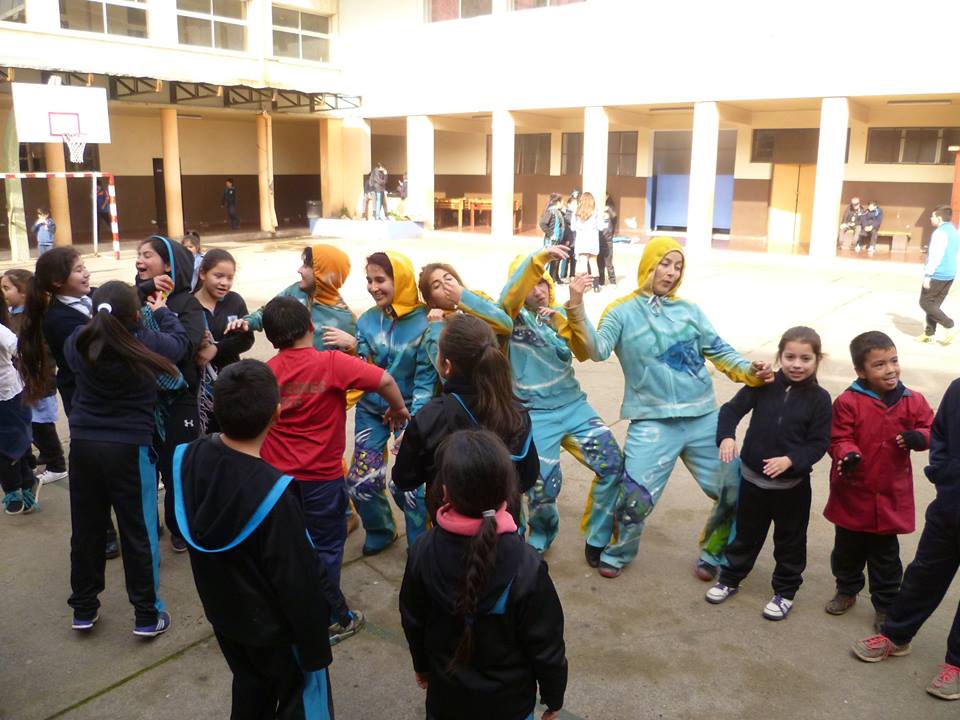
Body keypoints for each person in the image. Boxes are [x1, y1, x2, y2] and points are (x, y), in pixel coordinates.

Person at [564, 236, 774, 581]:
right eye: (665, 263)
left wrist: (751, 371)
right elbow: (595, 350)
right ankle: (618, 551)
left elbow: (721, 351)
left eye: (678, 266)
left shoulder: (690, 311)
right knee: (634, 498)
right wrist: (576, 304)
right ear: (649, 264)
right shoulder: (621, 311)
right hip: (652, 423)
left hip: (703, 418)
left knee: (733, 489)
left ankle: (714, 551)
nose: (672, 272)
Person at [172, 360, 336, 717]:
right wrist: (316, 651)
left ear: (215, 407)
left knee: (249, 686)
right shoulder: (274, 494)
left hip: (225, 616)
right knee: (296, 699)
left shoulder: (187, 456)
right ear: (277, 414)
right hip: (274, 631)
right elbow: (298, 582)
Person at [259, 296, 409, 644]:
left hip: (276, 480)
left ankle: (284, 606)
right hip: (321, 479)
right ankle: (328, 618)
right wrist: (398, 409)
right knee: (326, 546)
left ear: (270, 337)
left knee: (287, 546)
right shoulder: (331, 363)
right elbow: (385, 380)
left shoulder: (266, 373)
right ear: (311, 326)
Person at [399, 429, 567, 720]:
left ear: (445, 492)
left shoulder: (422, 551)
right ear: (507, 490)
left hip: (445, 702)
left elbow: (413, 620)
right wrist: (553, 697)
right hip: (510, 707)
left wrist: (422, 667)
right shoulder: (527, 565)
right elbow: (547, 646)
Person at [63, 280, 188, 636]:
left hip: (84, 446)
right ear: (136, 316)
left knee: (86, 530)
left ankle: (84, 609)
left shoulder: (77, 341)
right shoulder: (144, 342)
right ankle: (147, 615)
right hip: (129, 450)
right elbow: (180, 344)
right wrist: (163, 312)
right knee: (138, 532)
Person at [499, 245, 629, 577]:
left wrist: (574, 304)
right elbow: (508, 298)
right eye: (530, 283)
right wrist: (537, 260)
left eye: (542, 282)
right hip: (535, 415)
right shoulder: (507, 320)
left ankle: (598, 536)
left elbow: (586, 350)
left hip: (575, 407)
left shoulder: (557, 313)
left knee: (613, 465)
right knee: (541, 486)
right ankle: (540, 538)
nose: (538, 291)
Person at [705, 327, 833, 620]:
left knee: (790, 542)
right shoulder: (763, 384)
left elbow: (819, 443)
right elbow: (730, 411)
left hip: (792, 488)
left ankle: (785, 592)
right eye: (790, 357)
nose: (797, 365)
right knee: (745, 535)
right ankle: (730, 579)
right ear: (779, 356)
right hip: (752, 482)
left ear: (817, 360)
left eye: (805, 358)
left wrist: (791, 460)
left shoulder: (820, 399)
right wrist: (726, 437)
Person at [850, 376, 960, 701]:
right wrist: (945, 475)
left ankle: (957, 664)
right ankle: (896, 635)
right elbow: (941, 434)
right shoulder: (958, 389)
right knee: (923, 573)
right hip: (950, 508)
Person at [823, 330, 934, 633]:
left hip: (889, 494)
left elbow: (931, 428)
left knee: (886, 557)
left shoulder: (913, 400)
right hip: (853, 491)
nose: (890, 369)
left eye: (894, 361)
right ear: (861, 371)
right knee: (846, 550)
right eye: (879, 364)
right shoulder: (848, 401)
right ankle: (847, 589)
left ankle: (885, 604)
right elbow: (838, 438)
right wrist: (848, 454)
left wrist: (919, 437)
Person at [18, 247, 123, 558]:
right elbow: (96, 351)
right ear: (57, 282)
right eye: (78, 269)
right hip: (85, 399)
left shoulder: (92, 298)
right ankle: (105, 531)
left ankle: (139, 522)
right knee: (95, 467)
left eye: (84, 266)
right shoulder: (58, 319)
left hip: (110, 395)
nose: (86, 273)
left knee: (123, 462)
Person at [336, 252, 436, 555]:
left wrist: (413, 424)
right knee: (360, 482)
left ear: (400, 280)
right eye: (369, 280)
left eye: (380, 280)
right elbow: (363, 367)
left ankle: (421, 547)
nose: (372, 287)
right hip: (371, 411)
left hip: (411, 413)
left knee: (411, 489)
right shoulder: (367, 320)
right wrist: (353, 348)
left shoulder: (426, 323)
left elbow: (425, 383)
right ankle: (381, 530)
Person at [393, 314, 538, 520]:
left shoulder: (430, 417)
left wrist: (411, 443)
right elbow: (528, 477)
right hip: (505, 528)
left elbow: (404, 479)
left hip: (449, 530)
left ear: (447, 366)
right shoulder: (515, 412)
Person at [135, 235, 206, 553]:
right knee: (145, 469)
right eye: (138, 254)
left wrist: (162, 315)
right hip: (140, 399)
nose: (139, 260)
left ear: (168, 265)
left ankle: (179, 525)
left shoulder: (185, 303)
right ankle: (150, 524)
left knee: (177, 466)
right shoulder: (132, 298)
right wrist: (144, 291)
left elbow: (186, 348)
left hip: (178, 399)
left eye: (147, 254)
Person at [3, 269, 67, 485]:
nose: (3, 293)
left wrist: (37, 375)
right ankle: (42, 457)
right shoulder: (12, 315)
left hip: (39, 381)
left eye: (6, 288)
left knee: (42, 424)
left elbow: (43, 352)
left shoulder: (34, 319)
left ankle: (57, 465)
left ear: (23, 292)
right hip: (23, 381)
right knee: (30, 424)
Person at [232, 244, 357, 352]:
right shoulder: (295, 292)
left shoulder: (345, 320)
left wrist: (352, 346)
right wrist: (248, 322)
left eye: (306, 266)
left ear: (323, 274)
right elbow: (268, 312)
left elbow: (355, 361)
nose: (299, 270)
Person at [416, 261, 513, 378]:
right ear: (431, 302)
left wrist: (462, 298)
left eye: (448, 279)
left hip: (499, 381)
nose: (446, 285)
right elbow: (446, 373)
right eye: (437, 286)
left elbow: (506, 325)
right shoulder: (435, 327)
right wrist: (437, 327)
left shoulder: (477, 299)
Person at [193, 248, 254, 432]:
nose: (224, 283)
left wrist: (216, 349)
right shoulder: (188, 305)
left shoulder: (235, 301)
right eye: (218, 276)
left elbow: (246, 339)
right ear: (202, 273)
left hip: (232, 388)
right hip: (198, 391)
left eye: (230, 278)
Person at [0, 290, 39, 516]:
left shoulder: (1, 331)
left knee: (15, 443)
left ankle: (19, 487)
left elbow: (19, 349)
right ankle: (20, 485)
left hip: (9, 396)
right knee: (10, 445)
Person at [917, 205, 959, 345]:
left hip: (937, 274)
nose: (931, 218)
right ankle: (929, 334)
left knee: (925, 303)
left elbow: (936, 256)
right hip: (949, 274)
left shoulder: (939, 233)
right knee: (934, 305)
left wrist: (928, 275)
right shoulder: (954, 231)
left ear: (939, 218)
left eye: (933, 216)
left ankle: (949, 325)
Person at [571, 191, 603, 292]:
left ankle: (584, 287)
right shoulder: (596, 212)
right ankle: (596, 287)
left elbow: (572, 227)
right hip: (593, 241)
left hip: (581, 241)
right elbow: (601, 227)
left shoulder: (576, 212)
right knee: (593, 263)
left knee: (583, 264)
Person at [538, 193, 566, 283]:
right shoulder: (551, 212)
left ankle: (553, 278)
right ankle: (541, 279)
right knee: (548, 261)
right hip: (550, 241)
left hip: (557, 240)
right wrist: (551, 234)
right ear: (558, 202)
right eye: (562, 202)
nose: (563, 204)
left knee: (555, 260)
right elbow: (542, 223)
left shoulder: (558, 212)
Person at [596, 194, 618, 286]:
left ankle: (612, 281)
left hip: (608, 241)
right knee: (600, 263)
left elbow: (615, 218)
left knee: (609, 263)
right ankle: (601, 281)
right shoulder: (596, 212)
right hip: (599, 241)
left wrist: (608, 209)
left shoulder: (610, 210)